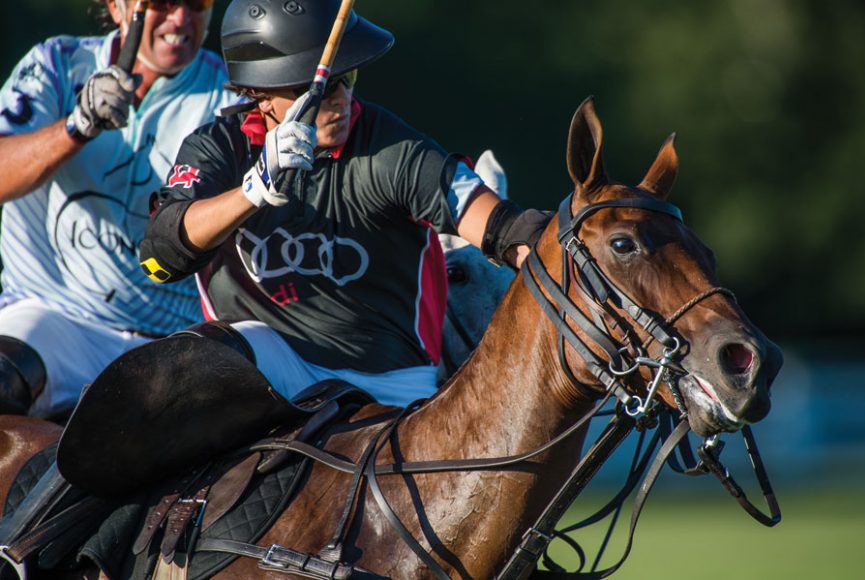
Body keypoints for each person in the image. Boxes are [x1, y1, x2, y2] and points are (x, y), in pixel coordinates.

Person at [137, 0, 551, 410]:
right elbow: (159, 258)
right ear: (261, 96)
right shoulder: (217, 148)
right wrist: (253, 190)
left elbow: (501, 227)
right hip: (267, 372)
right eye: (313, 88)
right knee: (195, 359)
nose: (338, 99)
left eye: (345, 77)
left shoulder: (394, 149)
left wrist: (556, 256)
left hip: (388, 385)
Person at [0, 0, 241, 419]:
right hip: (52, 319)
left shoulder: (230, 96)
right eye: (162, 3)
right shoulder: (58, 63)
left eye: (197, 4)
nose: (181, 19)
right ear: (117, 7)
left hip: (172, 341)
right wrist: (78, 125)